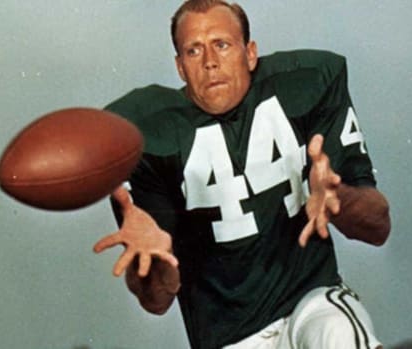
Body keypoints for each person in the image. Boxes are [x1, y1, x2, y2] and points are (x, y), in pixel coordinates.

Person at [93, 1, 391, 348]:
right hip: (228, 338)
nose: (209, 62)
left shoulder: (308, 84)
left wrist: (340, 199)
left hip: (309, 304)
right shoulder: (144, 136)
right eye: (193, 50)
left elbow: (379, 227)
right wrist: (155, 263)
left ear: (250, 54)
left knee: (339, 330)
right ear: (180, 67)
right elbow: (156, 300)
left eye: (221, 44)